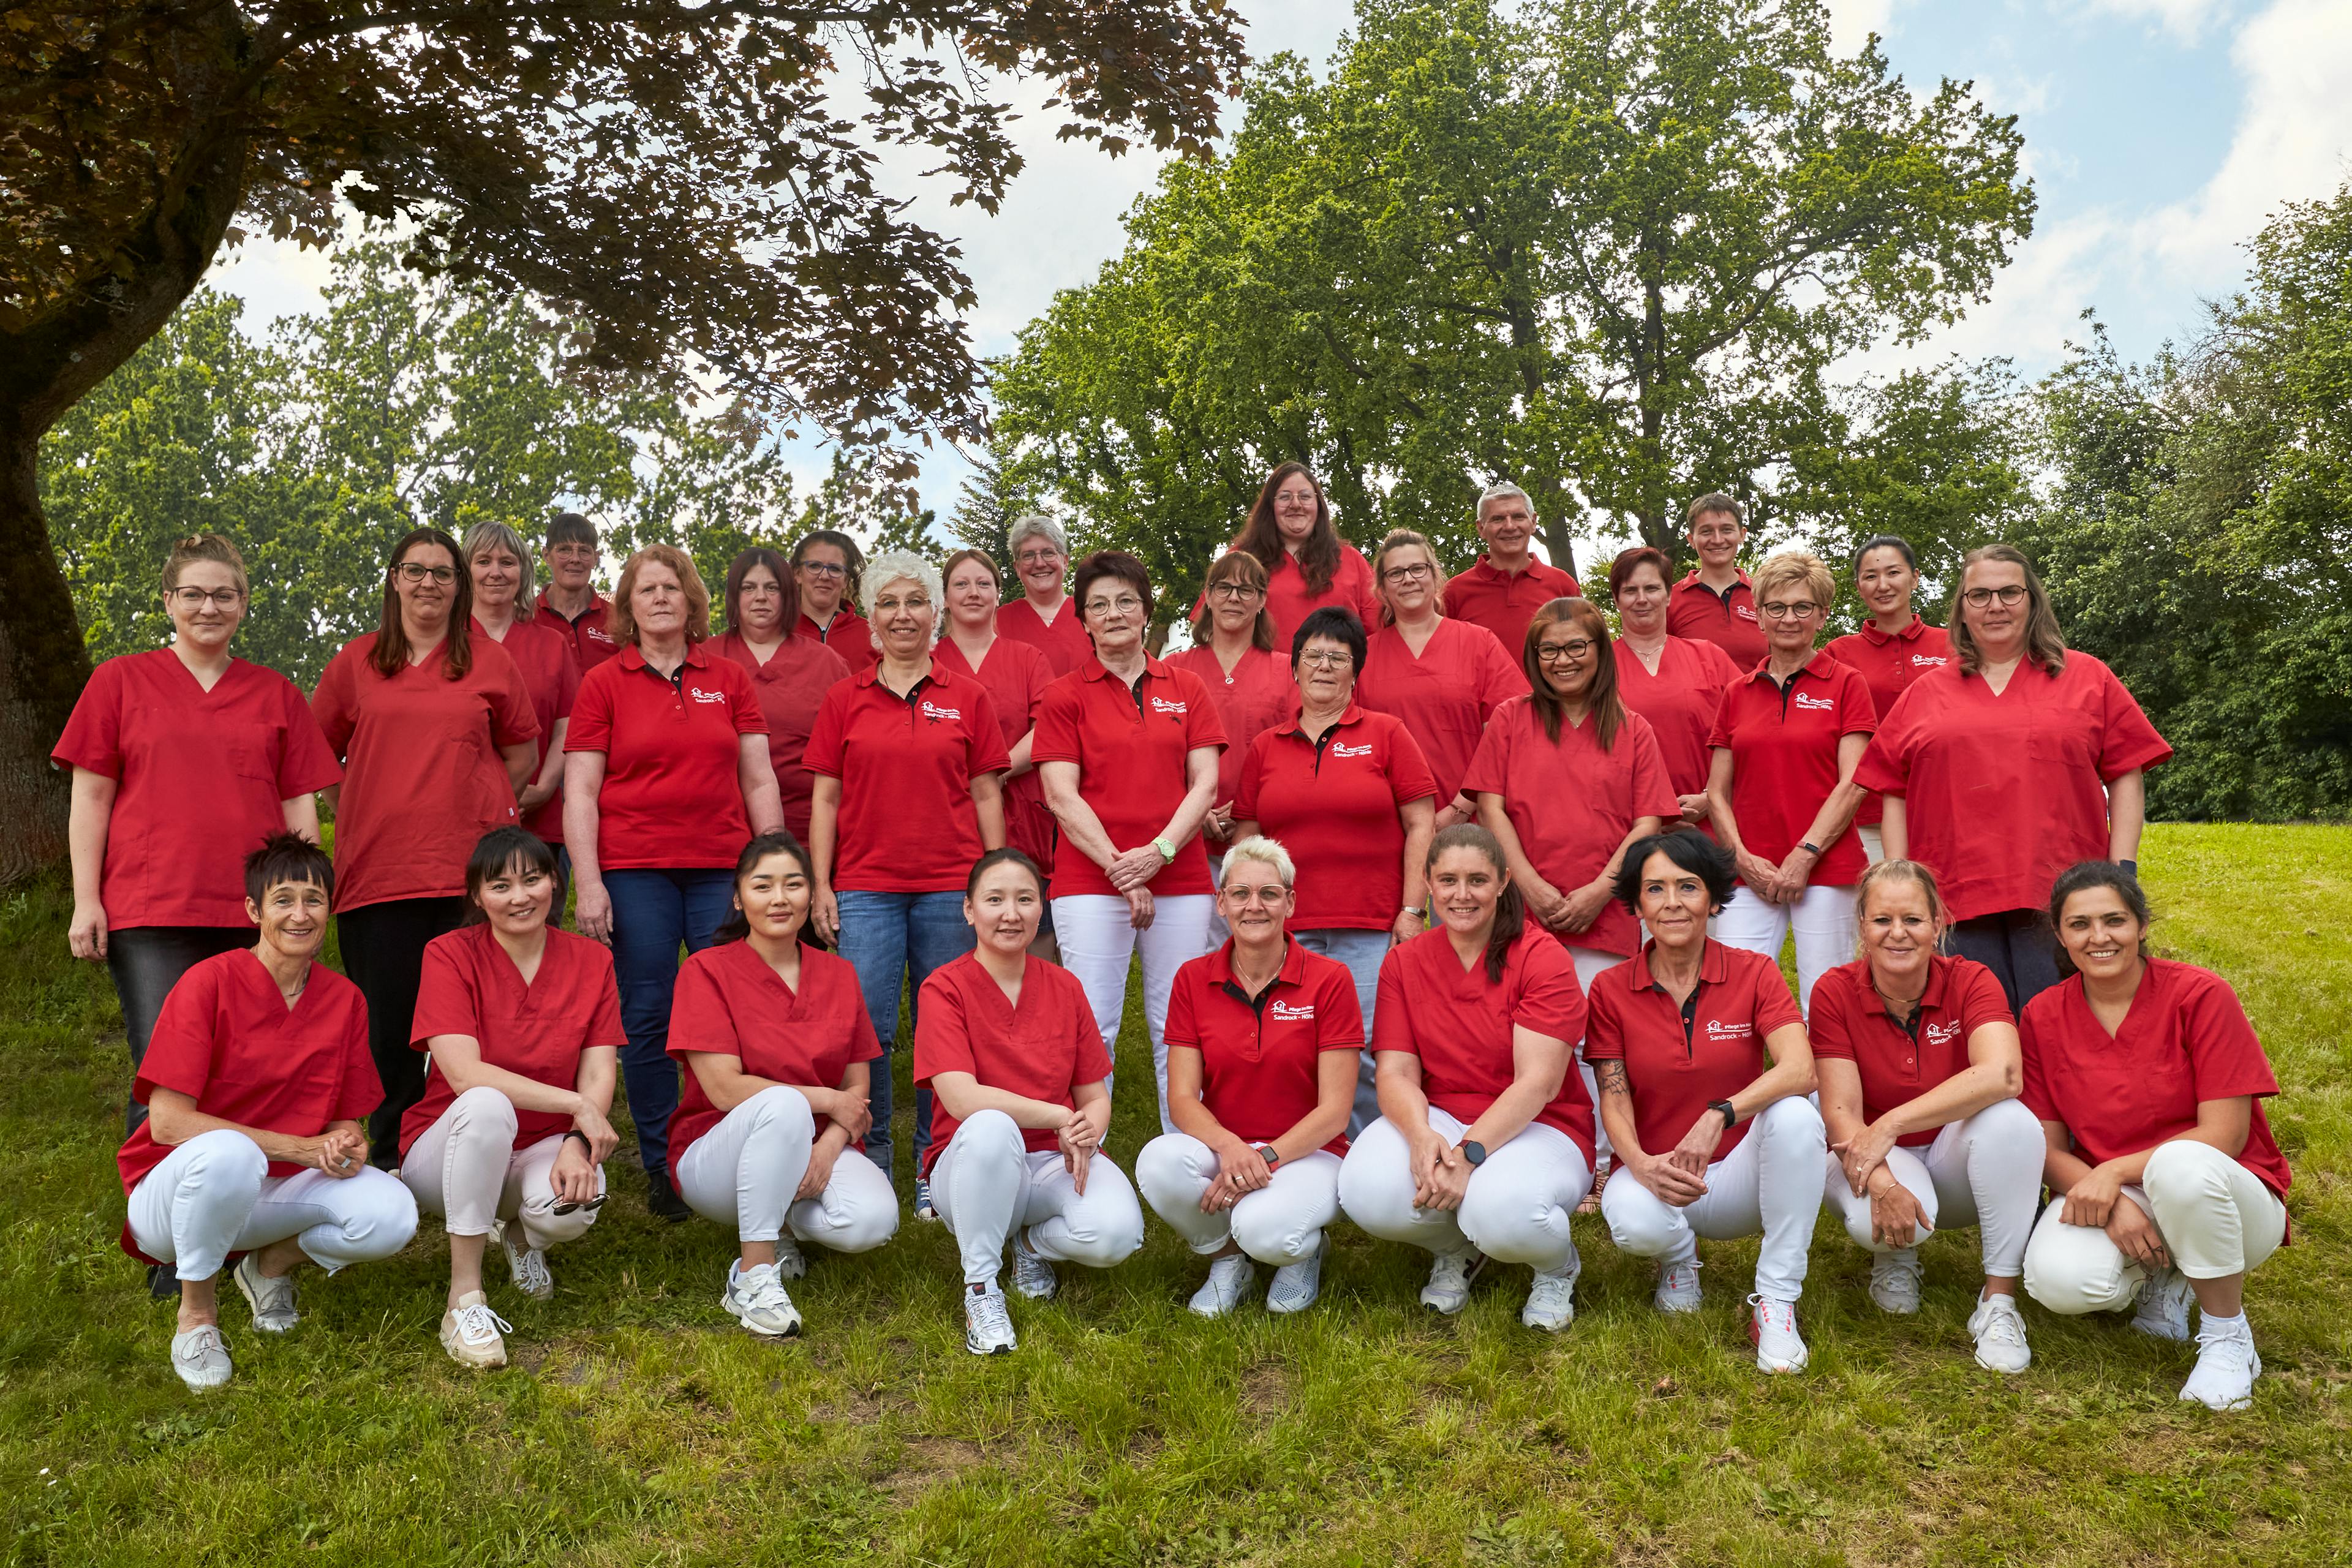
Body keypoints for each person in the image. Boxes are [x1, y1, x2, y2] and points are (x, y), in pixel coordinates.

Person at [57, 535, 341, 1140]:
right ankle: (159, 1221)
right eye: (193, 594)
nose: (208, 607)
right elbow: (91, 797)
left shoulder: (276, 694)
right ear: (168, 601)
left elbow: (299, 811)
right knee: (167, 1072)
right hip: (152, 910)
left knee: (249, 1070)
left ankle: (248, 1214)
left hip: (253, 914)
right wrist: (87, 899)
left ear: (243, 604)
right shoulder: (119, 682)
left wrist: (302, 903)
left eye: (223, 595)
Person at [119, 835, 419, 1390]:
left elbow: (347, 1115)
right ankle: (198, 1317)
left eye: (314, 899)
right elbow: (166, 1123)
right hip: (176, 1201)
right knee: (230, 1155)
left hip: (276, 1193)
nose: (300, 915)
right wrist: (300, 1149)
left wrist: (345, 1143)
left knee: (393, 1214)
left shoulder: (345, 999)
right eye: (283, 900)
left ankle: (268, 1267)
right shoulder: (207, 983)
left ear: (330, 909)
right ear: (255, 910)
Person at [2019, 864, 2293, 1412]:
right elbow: (2046, 1149)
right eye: (2080, 925)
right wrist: (2115, 1200)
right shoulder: (2042, 1015)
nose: (2099, 937)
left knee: (2180, 1164)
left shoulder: (2200, 994)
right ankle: (2167, 1279)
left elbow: (2224, 1134)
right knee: (2059, 1282)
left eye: (2114, 920)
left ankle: (2226, 1336)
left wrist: (2115, 1174)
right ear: (2060, 935)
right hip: (2120, 1192)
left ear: (2142, 925)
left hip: (2226, 1194)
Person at [565, 545, 783, 1221]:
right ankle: (663, 1163)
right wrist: (589, 882)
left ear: (691, 602)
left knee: (736, 1015)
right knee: (650, 1016)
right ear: (628, 605)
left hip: (722, 866)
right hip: (636, 871)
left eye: (672, 588)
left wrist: (774, 869)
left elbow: (759, 778)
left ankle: (732, 1147)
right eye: (646, 589)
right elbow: (581, 792)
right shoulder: (603, 682)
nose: (660, 597)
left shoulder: (729, 678)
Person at [1857, 544, 2172, 1011]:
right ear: (1962, 608)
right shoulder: (1926, 693)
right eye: (1979, 595)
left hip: (2063, 893)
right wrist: (1902, 886)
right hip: (1954, 896)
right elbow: (1894, 793)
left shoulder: (2087, 677)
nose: (1995, 606)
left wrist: (2122, 870)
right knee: (1979, 1031)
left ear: (2033, 601)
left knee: (2062, 1025)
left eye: (2009, 592)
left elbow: (2127, 772)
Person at [313, 526, 540, 1161]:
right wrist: (359, 803)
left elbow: (521, 751)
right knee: (388, 1027)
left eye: (443, 573)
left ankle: (470, 1149)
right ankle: (388, 1153)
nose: (429, 584)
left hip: (469, 877)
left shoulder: (489, 661)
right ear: (394, 579)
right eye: (416, 570)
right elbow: (313, 755)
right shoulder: (355, 662)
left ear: (458, 586)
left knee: (476, 1025)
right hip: (377, 873)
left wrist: (479, 801)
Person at [1336, 824, 1594, 1332]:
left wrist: (1468, 1154)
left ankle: (1555, 1266)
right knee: (1364, 1189)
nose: (1461, 894)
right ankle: (1458, 1249)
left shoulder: (1542, 957)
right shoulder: (1406, 962)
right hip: (1445, 1115)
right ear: (1429, 884)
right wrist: (1420, 1135)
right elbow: (1394, 1071)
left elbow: (1538, 1084)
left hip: (1543, 1124)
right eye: (1447, 879)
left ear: (1502, 882)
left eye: (1477, 880)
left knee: (1501, 1211)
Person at [1585, 831, 1826, 1374]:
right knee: (1627, 1218)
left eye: (1688, 887)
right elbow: (1614, 1098)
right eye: (1656, 889)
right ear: (1638, 905)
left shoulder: (1756, 971)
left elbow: (1800, 1069)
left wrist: (1722, 1113)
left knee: (1794, 1115)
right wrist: (1642, 1165)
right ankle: (1679, 1260)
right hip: (1660, 1177)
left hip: (1743, 1175)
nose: (1672, 902)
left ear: (1714, 899)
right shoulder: (1608, 988)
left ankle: (1776, 1300)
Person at [807, 552, 1010, 1197]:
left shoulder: (968, 697)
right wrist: (820, 883)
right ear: (871, 619)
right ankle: (867, 1158)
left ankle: (934, 1162)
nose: (903, 615)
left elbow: (986, 796)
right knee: (868, 1026)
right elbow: (825, 802)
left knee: (945, 1027)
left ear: (936, 613)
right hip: (865, 888)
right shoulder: (844, 698)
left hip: (952, 886)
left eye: (915, 602)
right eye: (889, 604)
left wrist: (994, 887)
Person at [1467, 596, 1678, 1204]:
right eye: (1549, 650)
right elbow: (1491, 806)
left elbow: (1647, 821)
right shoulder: (1511, 718)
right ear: (1534, 658)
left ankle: (1606, 1163)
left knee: (1601, 1044)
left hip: (1605, 911)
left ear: (1598, 651)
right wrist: (1527, 881)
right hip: (1522, 908)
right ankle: (1536, 1149)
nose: (1563, 660)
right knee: (1524, 1041)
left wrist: (1600, 889)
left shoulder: (1632, 728)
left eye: (1575, 646)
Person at [400, 828, 624, 1369]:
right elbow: (462, 1074)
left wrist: (576, 1140)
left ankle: (523, 1236)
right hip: (449, 1148)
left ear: (555, 881)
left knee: (572, 1209)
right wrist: (576, 1107)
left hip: (542, 1144)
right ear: (477, 897)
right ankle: (465, 1300)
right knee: (485, 1102)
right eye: (500, 885)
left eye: (533, 879)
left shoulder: (591, 961)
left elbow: (597, 1072)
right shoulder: (449, 954)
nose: (520, 896)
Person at [1810, 858, 2040, 1374]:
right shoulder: (1834, 990)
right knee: (1876, 1226)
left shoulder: (1971, 978)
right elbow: (1842, 1112)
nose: (1898, 934)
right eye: (1882, 920)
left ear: (1939, 924)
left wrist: (1891, 1122)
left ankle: (1999, 1301)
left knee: (2013, 1121)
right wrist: (1887, 1186)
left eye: (1913, 920)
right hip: (1873, 1154)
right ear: (1862, 927)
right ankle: (1895, 1256)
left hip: (1948, 1152)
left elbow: (2003, 1073)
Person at [668, 832, 900, 1339]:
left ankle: (783, 1225)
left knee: (873, 1224)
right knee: (781, 1102)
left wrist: (827, 1149)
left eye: (794, 885)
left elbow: (857, 1088)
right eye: (763, 885)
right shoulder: (706, 970)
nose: (779, 899)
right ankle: (753, 1276)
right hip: (718, 1157)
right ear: (738, 897)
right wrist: (823, 1102)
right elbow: (726, 1090)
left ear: (811, 894)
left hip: (818, 1143)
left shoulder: (838, 974)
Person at [915, 850, 1144, 1355]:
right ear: (969, 910)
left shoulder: (1065, 986)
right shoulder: (944, 988)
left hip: (1050, 1162)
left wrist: (1087, 1128)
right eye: (994, 900)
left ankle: (1029, 1245)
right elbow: (960, 1097)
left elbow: (1093, 1094)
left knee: (1117, 1236)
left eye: (1025, 899)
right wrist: (1060, 1116)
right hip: (972, 1165)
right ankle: (981, 1287)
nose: (1011, 913)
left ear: (1042, 910)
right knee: (993, 1125)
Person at [1034, 551, 1226, 1132]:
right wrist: (1125, 870)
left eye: (1126, 601)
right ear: (1084, 621)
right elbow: (1061, 796)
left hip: (1182, 879)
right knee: (1094, 1026)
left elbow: (1206, 783)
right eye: (1099, 605)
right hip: (1091, 882)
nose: (1114, 613)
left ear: (1146, 612)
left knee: (1181, 1025)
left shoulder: (1187, 686)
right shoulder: (1064, 695)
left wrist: (1159, 854)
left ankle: (1185, 1157)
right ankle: (1084, 1163)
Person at [1137, 839, 1363, 1316]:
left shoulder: (1330, 979)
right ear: (1221, 904)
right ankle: (1226, 1259)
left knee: (1267, 1232)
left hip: (1310, 1152)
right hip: (1229, 1148)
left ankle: (1302, 1252)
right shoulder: (1193, 979)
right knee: (1158, 1162)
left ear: (1290, 902)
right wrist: (1232, 1148)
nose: (1253, 906)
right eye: (1240, 894)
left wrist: (1266, 1156)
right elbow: (1181, 1098)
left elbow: (1336, 1110)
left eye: (1269, 894)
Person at [1229, 606, 1435, 1130]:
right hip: (1283, 930)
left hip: (1368, 927)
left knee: (1364, 1048)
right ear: (1294, 668)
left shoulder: (1388, 734)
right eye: (1312, 656)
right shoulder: (1264, 747)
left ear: (1355, 670)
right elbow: (1247, 836)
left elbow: (1421, 824)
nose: (1323, 666)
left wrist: (1413, 910)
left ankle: (1368, 1162)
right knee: (1289, 1045)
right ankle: (1302, 1157)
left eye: (1337, 657)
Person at [1704, 551, 1876, 1014]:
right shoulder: (1737, 692)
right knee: (1733, 999)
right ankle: (1744, 1089)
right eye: (1776, 607)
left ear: (1822, 615)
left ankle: (1824, 1091)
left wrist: (1805, 856)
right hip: (1750, 870)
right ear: (1758, 615)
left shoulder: (1847, 683)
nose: (1788, 618)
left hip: (1827, 866)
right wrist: (1741, 858)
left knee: (1824, 1002)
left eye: (1802, 607)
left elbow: (1854, 783)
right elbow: (1717, 792)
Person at [1355, 529, 1528, 830]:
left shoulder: (1479, 643)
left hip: (1473, 823)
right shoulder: (1362, 657)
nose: (1408, 579)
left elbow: (1507, 736)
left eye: (1417, 569)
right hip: (1388, 826)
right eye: (1395, 573)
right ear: (1381, 589)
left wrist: (1459, 809)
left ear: (1435, 577)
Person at [1166, 549, 1295, 910]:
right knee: (1200, 955)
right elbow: (1159, 753)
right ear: (1207, 596)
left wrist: (1248, 807)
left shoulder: (1288, 671)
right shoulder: (1175, 670)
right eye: (1223, 588)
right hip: (1187, 841)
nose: (1234, 598)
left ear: (1262, 601)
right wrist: (1197, 808)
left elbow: (1297, 752)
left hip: (1265, 843)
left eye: (1246, 590)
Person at [935, 547, 1057, 916]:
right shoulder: (928, 661)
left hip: (1021, 812)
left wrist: (994, 774)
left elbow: (1048, 728)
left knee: (1026, 932)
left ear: (998, 594)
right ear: (945, 598)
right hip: (948, 818)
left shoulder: (1027, 658)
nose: (973, 592)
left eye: (983, 584)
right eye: (962, 584)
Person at [711, 546, 851, 845]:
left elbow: (850, 754)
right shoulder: (704, 658)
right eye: (748, 587)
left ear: (788, 595)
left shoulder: (827, 663)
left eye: (771, 588)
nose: (760, 597)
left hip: (811, 830)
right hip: (722, 830)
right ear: (734, 596)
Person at [466, 521, 581, 884]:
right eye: (483, 561)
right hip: (459, 819)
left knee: (535, 930)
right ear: (465, 571)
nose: (496, 572)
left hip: (538, 819)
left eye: (508, 562)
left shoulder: (551, 643)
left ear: (524, 571)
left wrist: (545, 787)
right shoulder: (446, 641)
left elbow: (569, 722)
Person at [1826, 535, 1951, 864]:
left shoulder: (1953, 646)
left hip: (1944, 808)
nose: (1883, 585)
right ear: (1859, 586)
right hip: (1867, 814)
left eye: (1893, 573)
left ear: (1915, 577)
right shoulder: (1838, 653)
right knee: (1883, 909)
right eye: (1871, 576)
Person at [1610, 546, 1744, 834]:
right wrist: (1650, 813)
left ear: (1669, 595)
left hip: (1713, 825)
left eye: (1652, 588)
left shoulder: (1709, 657)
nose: (1642, 599)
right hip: (1628, 829)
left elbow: (1748, 733)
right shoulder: (1598, 668)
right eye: (1630, 590)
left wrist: (1712, 797)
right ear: (1616, 599)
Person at [1215, 462, 1380, 652]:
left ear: (1318, 505)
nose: (1296, 504)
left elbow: (1379, 632)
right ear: (1271, 506)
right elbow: (1212, 628)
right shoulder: (1241, 560)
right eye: (1285, 497)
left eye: (1305, 496)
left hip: (1337, 678)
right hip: (1264, 680)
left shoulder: (1352, 560)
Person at [1442, 481, 1581, 654]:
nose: (1509, 526)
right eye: (1498, 519)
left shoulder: (1563, 585)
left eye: (1518, 517)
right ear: (1481, 528)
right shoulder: (1455, 592)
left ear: (1533, 522)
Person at [1666, 493, 1767, 669]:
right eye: (1706, 531)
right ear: (1691, 539)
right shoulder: (1669, 601)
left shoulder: (1765, 596)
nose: (1718, 540)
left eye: (1727, 530)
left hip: (1759, 697)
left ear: (1742, 535)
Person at [995, 514, 1094, 677]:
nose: (1040, 563)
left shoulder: (1092, 615)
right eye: (1028, 555)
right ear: (1017, 567)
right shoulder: (997, 622)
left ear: (1065, 561)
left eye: (1048, 553)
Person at [536, 511, 620, 674]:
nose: (575, 559)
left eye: (584, 551)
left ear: (596, 558)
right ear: (546, 555)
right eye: (564, 550)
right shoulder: (525, 617)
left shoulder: (619, 619)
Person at [791, 529, 876, 671]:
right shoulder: (777, 633)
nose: (824, 576)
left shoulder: (874, 635)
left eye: (835, 569)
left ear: (846, 580)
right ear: (798, 574)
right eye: (814, 566)